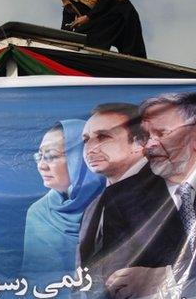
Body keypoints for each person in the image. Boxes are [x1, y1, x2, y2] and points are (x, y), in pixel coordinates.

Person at [104, 93, 196, 298]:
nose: (149, 145)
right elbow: (118, 278)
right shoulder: (120, 198)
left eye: (160, 133)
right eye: (146, 136)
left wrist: (168, 277)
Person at [77, 103, 163, 292]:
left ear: (139, 142)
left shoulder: (171, 188)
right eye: (86, 140)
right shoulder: (92, 206)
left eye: (103, 137)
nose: (90, 149)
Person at [22, 120, 105, 276]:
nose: (41, 165)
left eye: (51, 156)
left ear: (81, 158)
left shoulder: (114, 201)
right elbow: (35, 278)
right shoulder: (39, 212)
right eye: (39, 156)